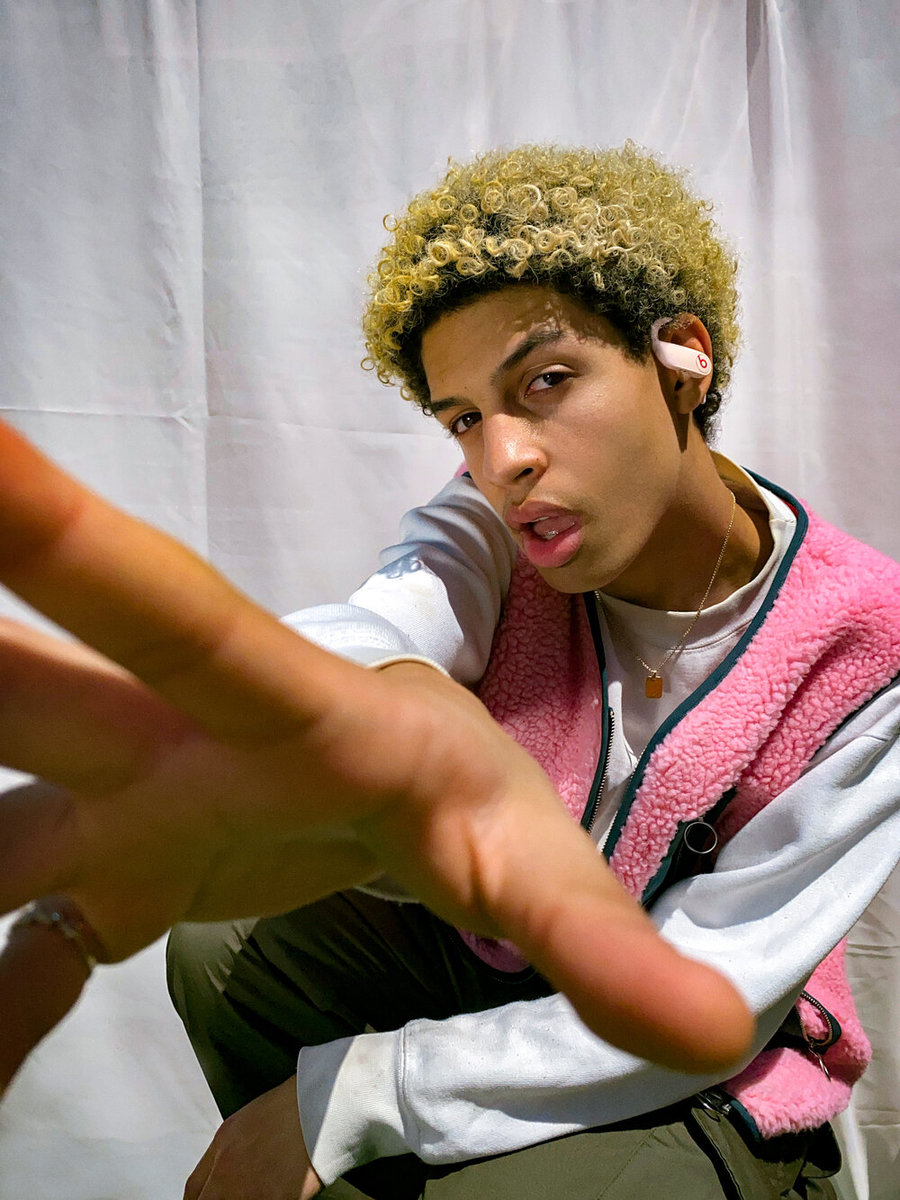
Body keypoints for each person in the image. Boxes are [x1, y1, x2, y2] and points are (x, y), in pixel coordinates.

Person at [166, 143, 900, 1199]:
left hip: (711, 1063)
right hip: (512, 974)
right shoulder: (494, 531)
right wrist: (405, 689)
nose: (502, 459)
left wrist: (358, 1093)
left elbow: (711, 1003)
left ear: (682, 360)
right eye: (465, 418)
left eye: (546, 382)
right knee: (226, 938)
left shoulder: (867, 644)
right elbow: (355, 634)